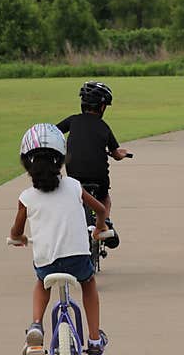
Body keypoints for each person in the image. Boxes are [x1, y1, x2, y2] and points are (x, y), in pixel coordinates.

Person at [8, 123, 109, 355]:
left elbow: (16, 230)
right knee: (89, 283)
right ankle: (94, 340)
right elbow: (101, 209)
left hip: (47, 263)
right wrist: (100, 228)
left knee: (41, 283)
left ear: (26, 163)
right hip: (78, 260)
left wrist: (18, 238)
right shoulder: (74, 186)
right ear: (61, 159)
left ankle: (35, 326)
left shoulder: (26, 198)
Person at [56, 81, 131, 248]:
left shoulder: (73, 121)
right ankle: (104, 224)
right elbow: (117, 154)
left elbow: (54, 131)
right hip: (99, 175)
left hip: (74, 173)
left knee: (76, 195)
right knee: (104, 197)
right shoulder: (104, 127)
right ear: (102, 107)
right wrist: (123, 154)